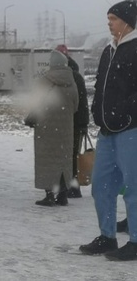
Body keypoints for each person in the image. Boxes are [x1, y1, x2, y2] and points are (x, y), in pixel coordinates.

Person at [80, 0, 137, 260]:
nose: (109, 23)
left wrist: (127, 112)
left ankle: (136, 241)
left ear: (128, 21)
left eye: (113, 18)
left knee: (134, 186)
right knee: (101, 185)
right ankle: (108, 236)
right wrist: (96, 111)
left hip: (131, 130)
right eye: (109, 18)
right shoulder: (108, 50)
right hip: (106, 131)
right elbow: (101, 85)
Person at [26, 50, 78, 207]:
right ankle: (62, 196)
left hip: (46, 128)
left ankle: (49, 195)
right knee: (63, 160)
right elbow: (75, 106)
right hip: (66, 128)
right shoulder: (72, 81)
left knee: (47, 161)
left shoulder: (44, 80)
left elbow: (35, 103)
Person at [55, 44, 90, 198]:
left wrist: (82, 124)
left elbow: (81, 103)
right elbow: (83, 103)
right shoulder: (76, 75)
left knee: (69, 156)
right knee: (72, 155)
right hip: (74, 122)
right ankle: (71, 187)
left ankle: (71, 187)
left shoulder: (71, 76)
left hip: (71, 122)